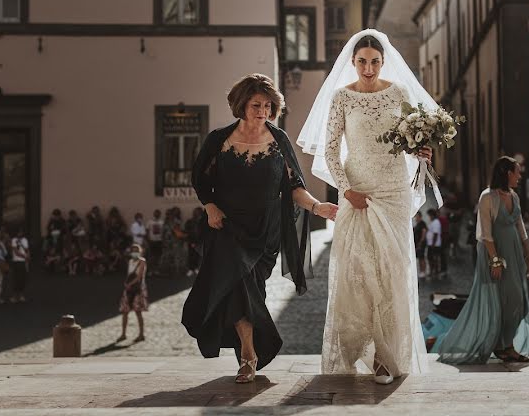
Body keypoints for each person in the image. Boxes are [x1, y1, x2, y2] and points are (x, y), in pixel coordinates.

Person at [298, 31, 437, 383]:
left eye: (375, 61)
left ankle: (386, 357)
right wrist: (346, 191)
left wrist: (420, 151)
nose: (369, 67)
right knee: (358, 274)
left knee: (392, 272)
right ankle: (362, 349)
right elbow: (329, 151)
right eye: (362, 61)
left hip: (393, 191)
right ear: (353, 62)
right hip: (357, 192)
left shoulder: (399, 93)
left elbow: (408, 142)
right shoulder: (342, 98)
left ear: (383, 62)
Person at [183, 73, 337, 384]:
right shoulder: (219, 140)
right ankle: (249, 356)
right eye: (256, 105)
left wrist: (317, 206)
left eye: (268, 105)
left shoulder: (278, 141)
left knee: (252, 288)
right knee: (240, 284)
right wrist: (209, 206)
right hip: (226, 226)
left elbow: (294, 185)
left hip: (266, 231)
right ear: (241, 105)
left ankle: (250, 352)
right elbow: (200, 179)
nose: (263, 111)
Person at [436, 156, 529, 364]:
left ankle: (505, 345)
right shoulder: (487, 197)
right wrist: (495, 261)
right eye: (517, 172)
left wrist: (528, 256)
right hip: (496, 254)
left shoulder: (514, 196)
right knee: (501, 302)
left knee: (519, 304)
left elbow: (521, 229)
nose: (520, 176)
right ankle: (504, 347)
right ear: (507, 173)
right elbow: (485, 233)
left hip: (515, 253)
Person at [117, 243, 149, 343]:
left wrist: (129, 283)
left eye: (137, 250)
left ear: (140, 252)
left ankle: (141, 334)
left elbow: (139, 276)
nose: (134, 252)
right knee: (125, 311)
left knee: (138, 312)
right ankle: (123, 334)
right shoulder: (130, 261)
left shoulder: (142, 261)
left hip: (138, 288)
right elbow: (130, 274)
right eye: (133, 250)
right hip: (129, 288)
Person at [10, 229, 29, 302]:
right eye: (19, 232)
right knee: (16, 279)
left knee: (22, 279)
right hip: (16, 261)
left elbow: (27, 249)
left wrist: (27, 258)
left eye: (21, 232)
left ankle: (21, 295)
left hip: (23, 262)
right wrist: (25, 256)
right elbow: (15, 251)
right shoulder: (14, 240)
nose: (20, 233)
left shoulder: (25, 240)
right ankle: (14, 296)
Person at [426, 210, 443, 280]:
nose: (429, 217)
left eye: (429, 216)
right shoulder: (433, 222)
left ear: (432, 215)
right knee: (430, 258)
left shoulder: (436, 222)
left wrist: (433, 244)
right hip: (431, 244)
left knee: (434, 258)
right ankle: (432, 271)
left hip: (435, 245)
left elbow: (435, 234)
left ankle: (435, 272)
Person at [147, 210, 165, 274]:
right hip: (152, 241)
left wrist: (163, 240)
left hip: (159, 241)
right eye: (155, 213)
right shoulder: (150, 221)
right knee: (151, 256)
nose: (156, 214)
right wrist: (148, 239)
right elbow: (147, 230)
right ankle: (150, 270)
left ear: (160, 214)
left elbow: (163, 232)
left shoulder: (162, 222)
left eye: (158, 213)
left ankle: (156, 270)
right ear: (153, 214)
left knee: (158, 256)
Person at [413, 212, 428, 278]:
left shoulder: (422, 223)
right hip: (418, 244)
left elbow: (424, 232)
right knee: (419, 257)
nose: (415, 218)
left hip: (421, 244)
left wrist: (420, 242)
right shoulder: (417, 224)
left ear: (420, 217)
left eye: (416, 216)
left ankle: (423, 271)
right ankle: (421, 271)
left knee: (422, 257)